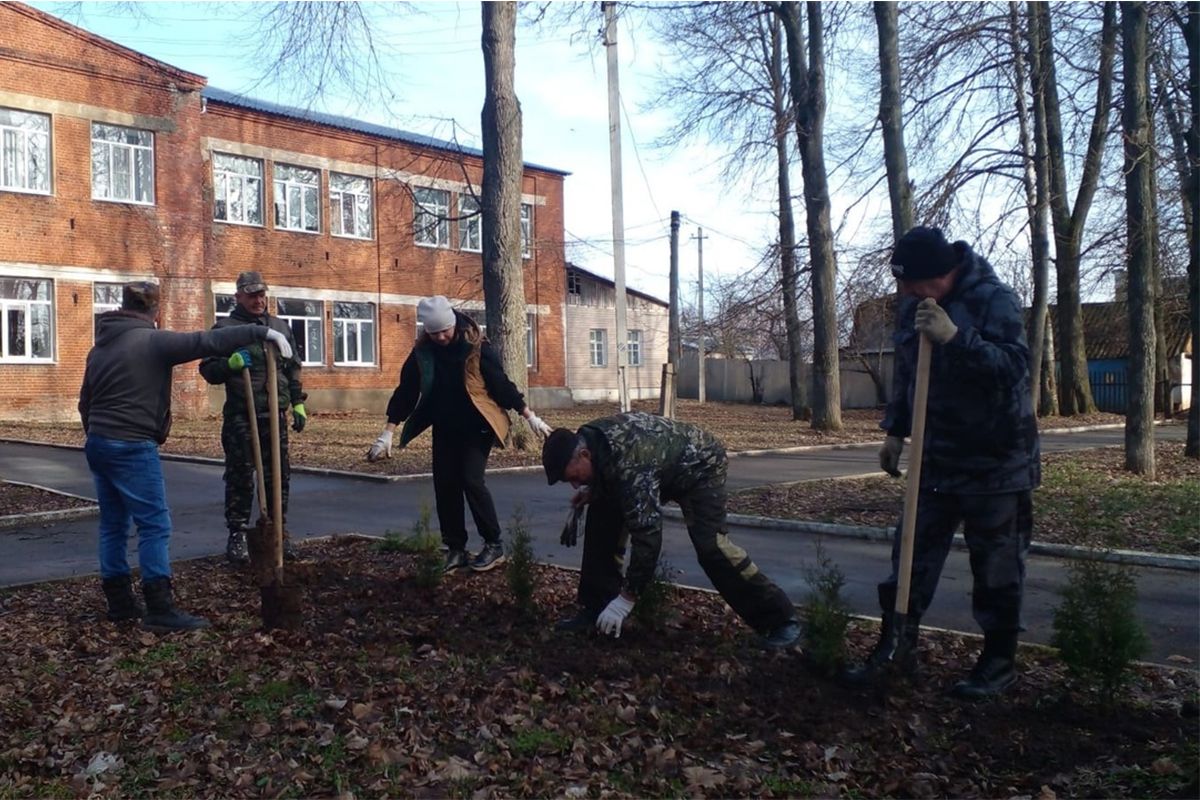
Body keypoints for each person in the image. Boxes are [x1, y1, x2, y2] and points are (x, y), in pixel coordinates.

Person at [842, 226, 1041, 699]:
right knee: (909, 558)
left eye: (914, 283)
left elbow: (1015, 370)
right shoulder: (915, 306)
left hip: (996, 462)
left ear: (944, 271)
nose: (907, 293)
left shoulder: (995, 300)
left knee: (996, 569)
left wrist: (957, 338)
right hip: (936, 460)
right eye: (904, 285)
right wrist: (895, 432)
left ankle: (997, 665)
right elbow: (909, 373)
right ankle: (895, 650)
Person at [80, 281, 294, 631]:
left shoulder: (99, 347)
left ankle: (119, 603)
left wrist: (98, 435)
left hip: (100, 443)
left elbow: (84, 403)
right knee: (154, 524)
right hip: (132, 445)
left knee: (113, 523)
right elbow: (204, 342)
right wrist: (262, 332)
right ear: (157, 311)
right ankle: (160, 609)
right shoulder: (152, 340)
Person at [541, 411, 801, 649]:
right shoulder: (591, 439)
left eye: (573, 477)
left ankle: (781, 621)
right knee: (601, 515)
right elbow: (611, 473)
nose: (575, 486)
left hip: (700, 466)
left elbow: (648, 536)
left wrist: (627, 599)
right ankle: (596, 608)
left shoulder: (630, 463)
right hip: (658, 465)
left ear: (584, 455)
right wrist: (594, 491)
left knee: (712, 547)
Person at [366, 295, 553, 572]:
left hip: (478, 424)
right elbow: (406, 392)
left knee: (470, 479)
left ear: (453, 324)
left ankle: (494, 544)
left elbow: (501, 385)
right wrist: (387, 433)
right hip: (445, 425)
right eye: (434, 332)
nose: (441, 337)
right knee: (445, 484)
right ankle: (456, 548)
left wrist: (530, 417)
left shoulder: (476, 347)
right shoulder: (422, 353)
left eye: (445, 330)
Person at [199, 271, 306, 565]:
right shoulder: (225, 328)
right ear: (239, 297)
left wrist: (297, 403)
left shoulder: (279, 327)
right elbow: (207, 370)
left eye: (262, 295)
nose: (259, 300)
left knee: (278, 476)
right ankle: (238, 534)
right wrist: (229, 365)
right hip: (241, 415)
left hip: (274, 414)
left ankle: (277, 530)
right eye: (252, 295)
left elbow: (292, 367)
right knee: (241, 476)